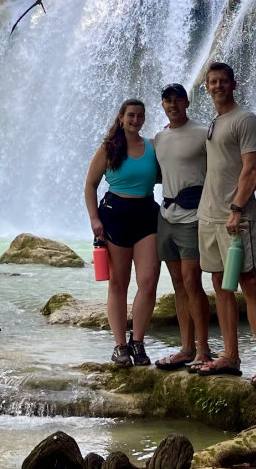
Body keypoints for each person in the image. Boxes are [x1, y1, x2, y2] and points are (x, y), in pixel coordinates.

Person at [195, 61, 256, 387]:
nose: (217, 86)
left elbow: (251, 170)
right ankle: (229, 355)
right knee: (220, 283)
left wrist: (237, 208)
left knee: (248, 283)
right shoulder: (214, 122)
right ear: (207, 87)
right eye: (212, 82)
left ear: (233, 84)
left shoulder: (246, 120)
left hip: (236, 217)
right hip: (209, 216)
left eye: (223, 81)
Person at [84, 98, 162, 366]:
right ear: (120, 117)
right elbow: (90, 184)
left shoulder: (152, 146)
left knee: (149, 280)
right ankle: (119, 346)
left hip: (146, 214)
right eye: (131, 115)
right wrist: (94, 219)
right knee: (119, 283)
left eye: (140, 115)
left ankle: (137, 342)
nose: (136, 119)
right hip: (115, 213)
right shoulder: (109, 148)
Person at [150, 82, 214, 372]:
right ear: (162, 105)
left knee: (192, 282)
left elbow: (221, 166)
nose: (173, 105)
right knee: (178, 284)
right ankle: (186, 348)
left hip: (193, 216)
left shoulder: (203, 133)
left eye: (178, 100)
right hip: (167, 216)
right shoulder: (159, 138)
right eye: (167, 101)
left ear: (187, 103)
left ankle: (204, 349)